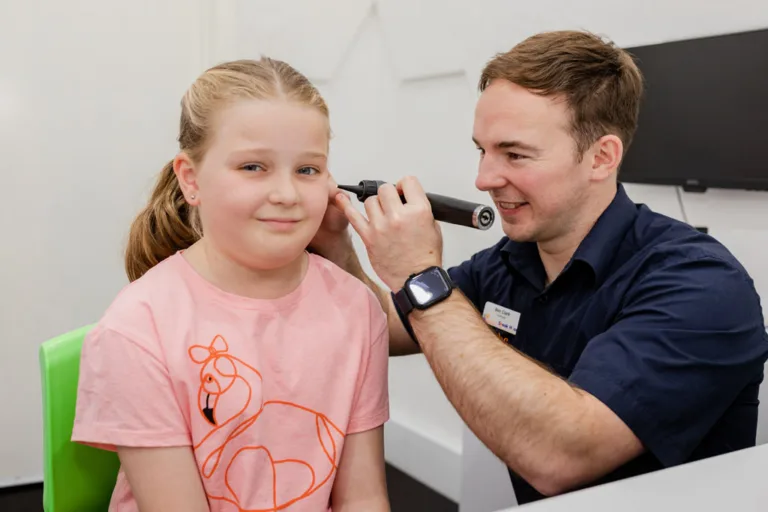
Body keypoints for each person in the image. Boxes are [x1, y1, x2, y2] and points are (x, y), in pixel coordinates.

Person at [311, 30, 768, 504]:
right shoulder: (510, 261)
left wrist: (419, 275)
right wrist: (337, 247)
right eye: (481, 150)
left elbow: (559, 456)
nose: (484, 179)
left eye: (515, 154)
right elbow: (387, 324)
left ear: (601, 157)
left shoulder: (702, 285)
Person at [72, 58, 391, 512]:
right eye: (253, 167)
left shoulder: (357, 308)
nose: (286, 193)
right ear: (191, 179)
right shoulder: (137, 329)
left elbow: (364, 497)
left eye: (307, 170)